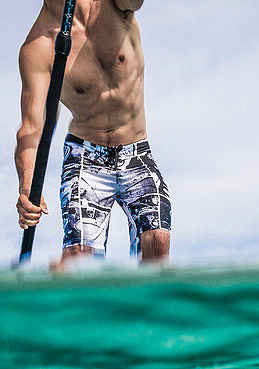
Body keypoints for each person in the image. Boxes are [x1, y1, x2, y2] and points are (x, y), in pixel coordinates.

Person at [15, 0, 172, 271]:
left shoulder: (113, 5)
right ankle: (60, 291)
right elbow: (30, 129)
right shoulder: (37, 49)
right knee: (79, 259)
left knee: (157, 241)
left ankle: (142, 311)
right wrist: (27, 187)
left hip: (136, 151)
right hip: (85, 158)